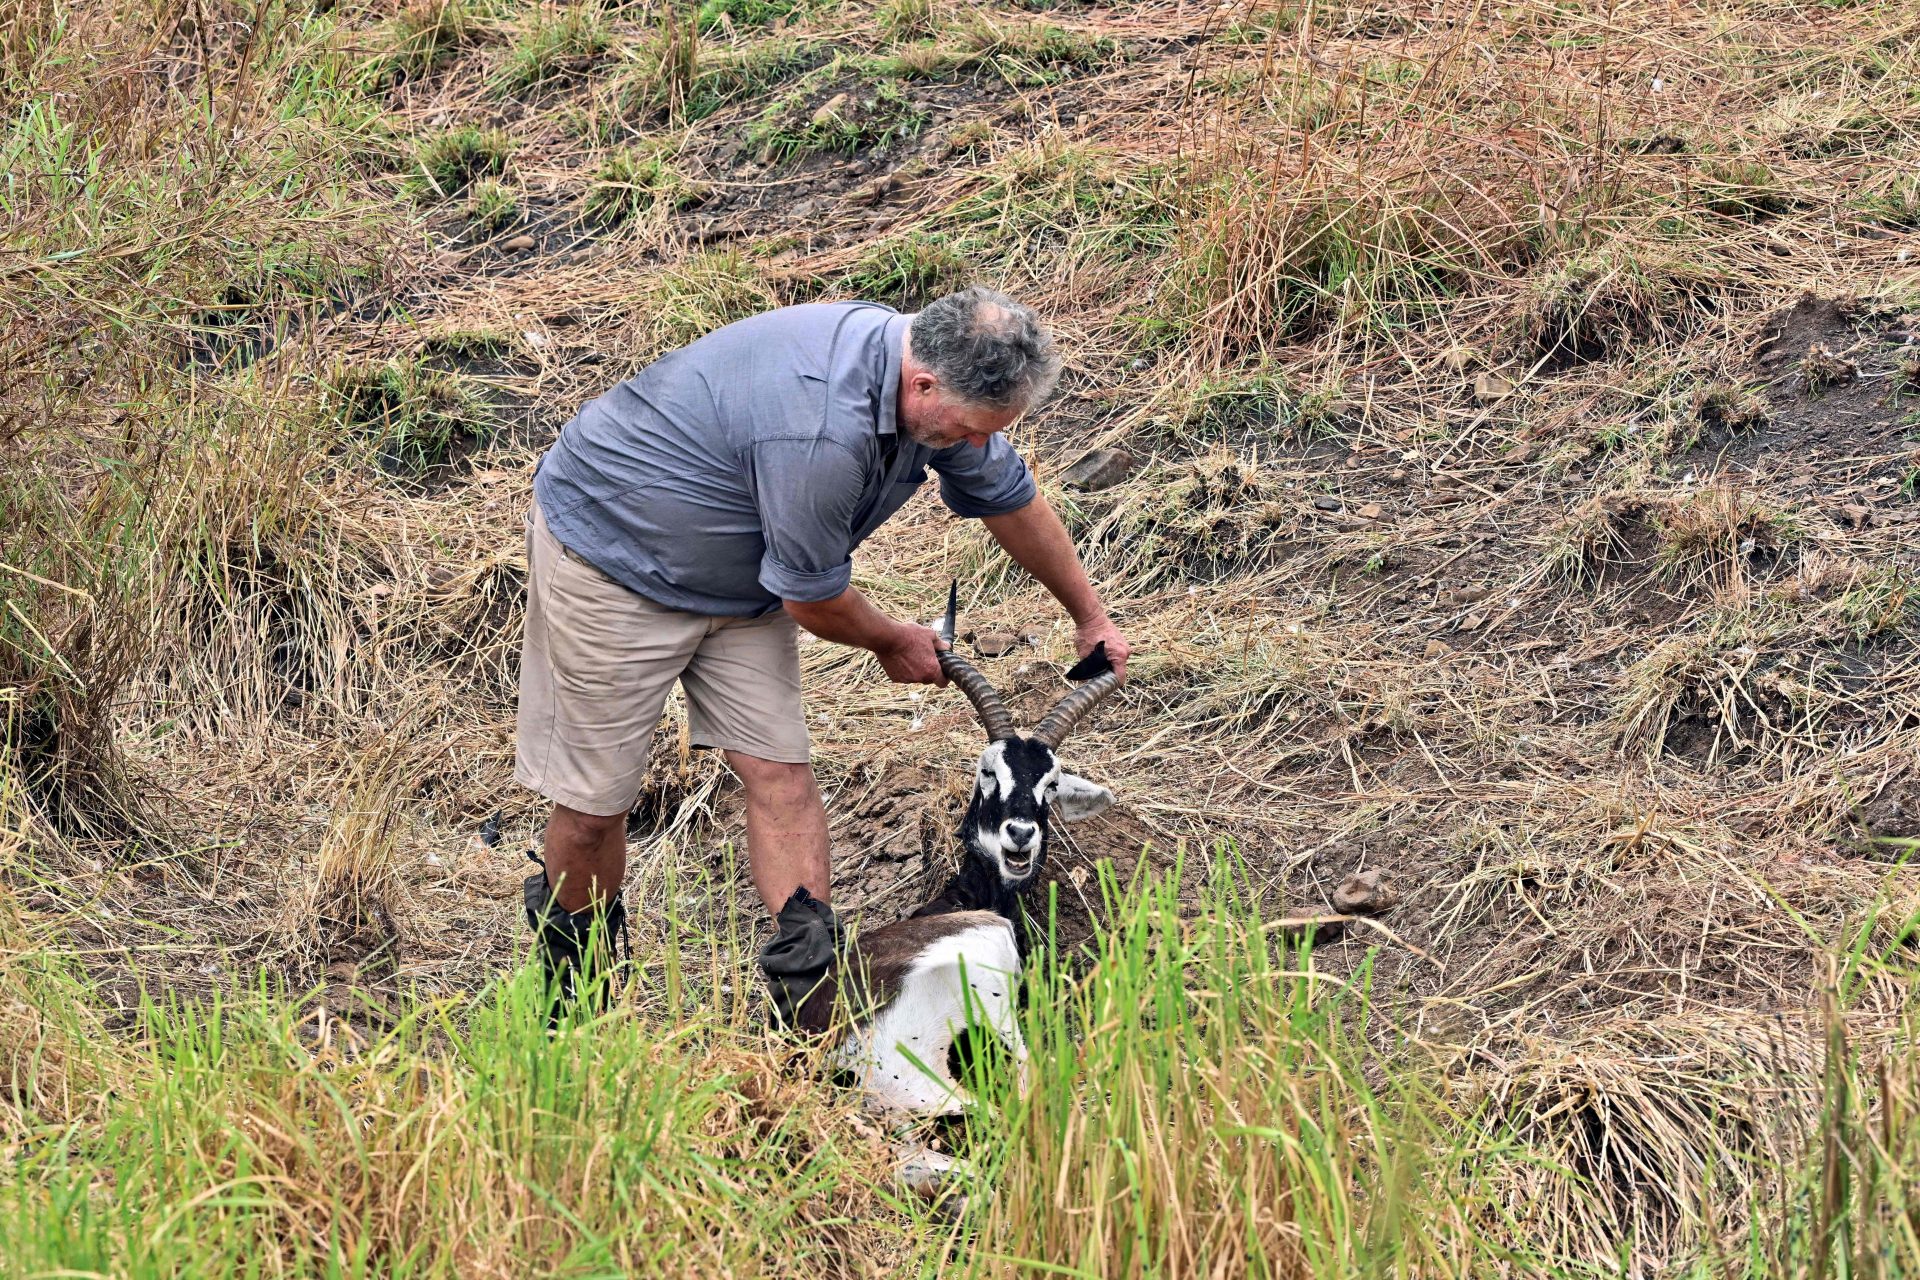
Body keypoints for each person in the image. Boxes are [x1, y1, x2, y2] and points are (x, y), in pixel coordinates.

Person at [514, 285, 1131, 1019]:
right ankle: (574, 1000)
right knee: (595, 804)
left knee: (780, 773)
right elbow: (813, 600)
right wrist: (891, 639)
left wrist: (1089, 615)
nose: (975, 446)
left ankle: (805, 1001)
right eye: (969, 430)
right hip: (615, 560)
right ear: (924, 383)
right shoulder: (820, 432)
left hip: (746, 578)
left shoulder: (937, 390)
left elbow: (1009, 495)